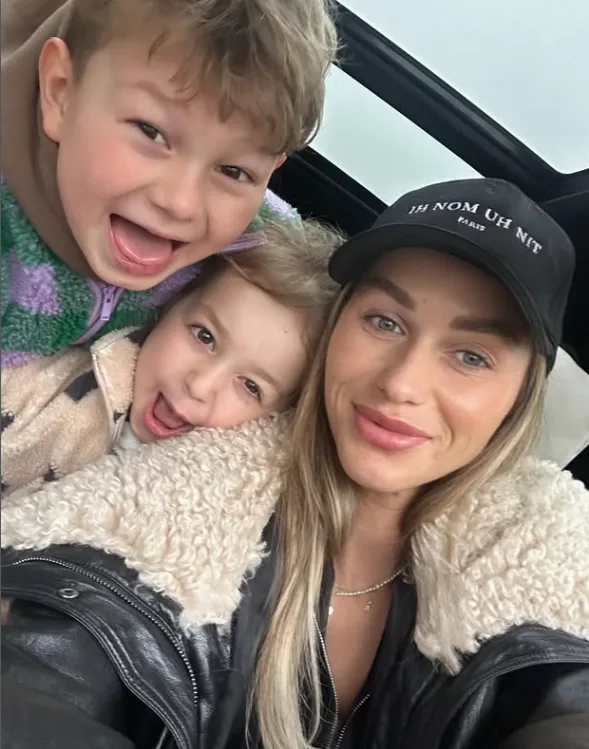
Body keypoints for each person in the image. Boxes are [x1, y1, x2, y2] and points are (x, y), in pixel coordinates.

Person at [2, 178, 588, 749]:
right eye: (384, 322)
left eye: (471, 356)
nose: (402, 383)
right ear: (336, 329)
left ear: (520, 395)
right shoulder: (156, 511)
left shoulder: (554, 564)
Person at [0, 0, 337, 365]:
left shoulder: (259, 245)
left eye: (233, 171)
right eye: (151, 132)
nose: (181, 202)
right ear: (61, 92)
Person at [1, 218, 341, 496]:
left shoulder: (225, 495)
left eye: (251, 386)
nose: (200, 385)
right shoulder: (43, 385)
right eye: (204, 336)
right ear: (171, 303)